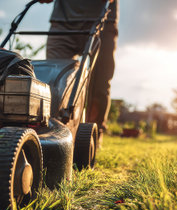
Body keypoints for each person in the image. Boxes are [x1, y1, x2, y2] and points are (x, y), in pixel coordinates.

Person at [40, 0, 119, 146]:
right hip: (62, 20)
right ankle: (54, 134)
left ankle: (93, 136)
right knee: (53, 80)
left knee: (99, 83)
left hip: (103, 20)